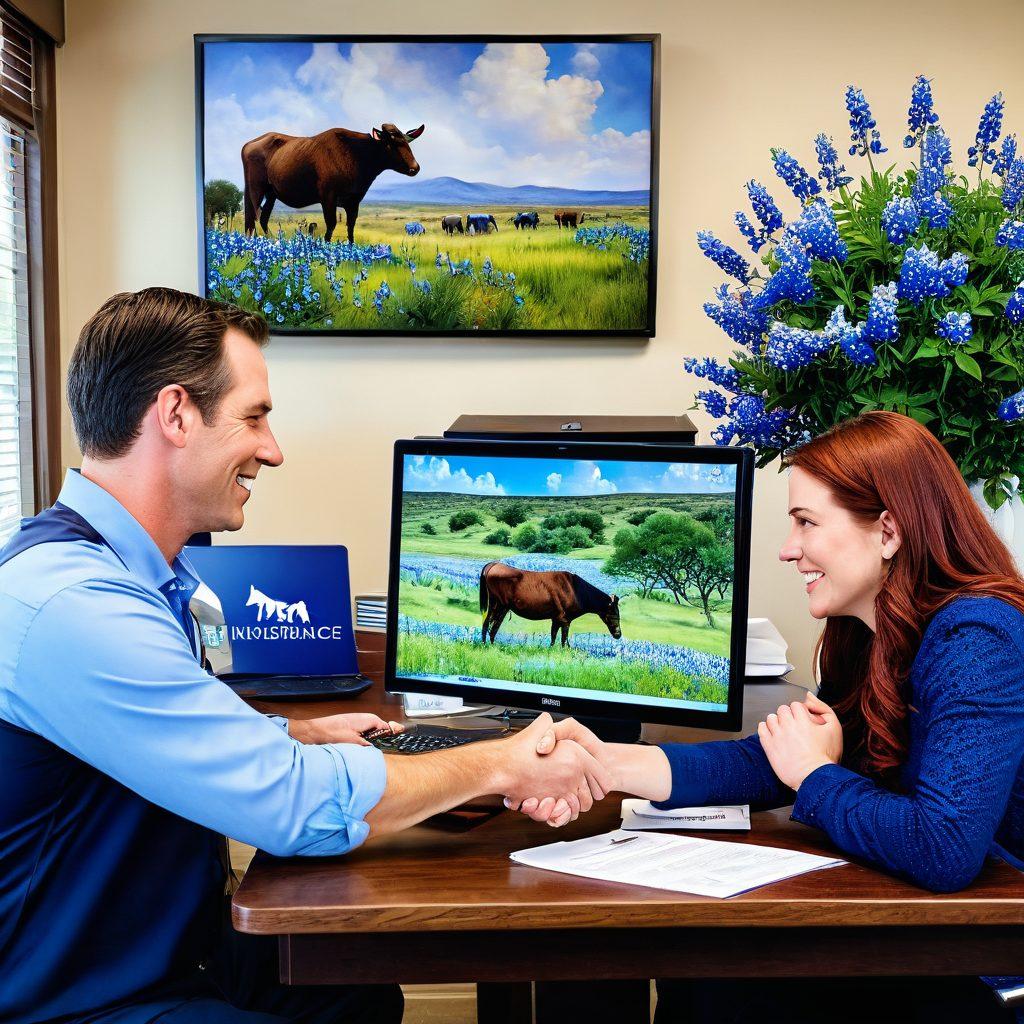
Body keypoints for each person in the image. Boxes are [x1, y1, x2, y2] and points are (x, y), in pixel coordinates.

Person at [0, 288, 610, 1024]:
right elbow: (291, 805)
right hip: (76, 998)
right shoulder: (73, 605)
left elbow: (161, 726)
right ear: (176, 415)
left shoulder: (131, 577)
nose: (273, 449)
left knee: (356, 989)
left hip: (155, 949)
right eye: (254, 417)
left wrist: (294, 732)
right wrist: (501, 762)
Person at [515, 411, 1024, 1022]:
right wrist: (606, 762)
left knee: (718, 986)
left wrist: (816, 777)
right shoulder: (868, 632)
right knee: (702, 967)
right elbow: (773, 758)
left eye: (807, 522)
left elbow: (943, 847)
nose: (789, 550)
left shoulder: (978, 638)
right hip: (914, 924)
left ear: (888, 530)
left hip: (980, 955)